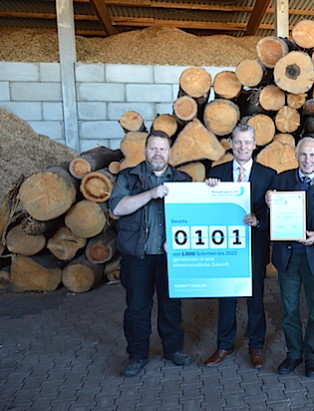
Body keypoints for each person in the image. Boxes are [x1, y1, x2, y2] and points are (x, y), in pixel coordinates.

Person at [109, 130, 193, 378]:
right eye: (153, 148)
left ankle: (173, 349)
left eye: (162, 149)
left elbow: (194, 215)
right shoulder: (129, 177)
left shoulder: (182, 180)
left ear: (169, 153)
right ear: (145, 151)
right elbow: (117, 208)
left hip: (169, 256)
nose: (158, 153)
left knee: (171, 306)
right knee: (137, 308)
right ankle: (137, 356)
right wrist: (150, 194)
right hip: (138, 256)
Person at [266, 137, 314, 377]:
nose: (307, 160)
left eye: (312, 155)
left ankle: (311, 356)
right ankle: (293, 354)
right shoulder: (281, 180)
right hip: (287, 256)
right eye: (303, 154)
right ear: (296, 156)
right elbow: (269, 218)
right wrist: (269, 203)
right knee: (289, 310)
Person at [203, 124, 276, 369]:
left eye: (247, 142)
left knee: (255, 298)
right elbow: (207, 208)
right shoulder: (217, 173)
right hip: (226, 246)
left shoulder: (269, 175)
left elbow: (272, 211)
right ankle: (224, 345)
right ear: (231, 144)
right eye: (238, 142)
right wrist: (207, 189)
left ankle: (256, 346)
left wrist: (260, 220)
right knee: (226, 297)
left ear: (255, 145)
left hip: (254, 245)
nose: (243, 147)